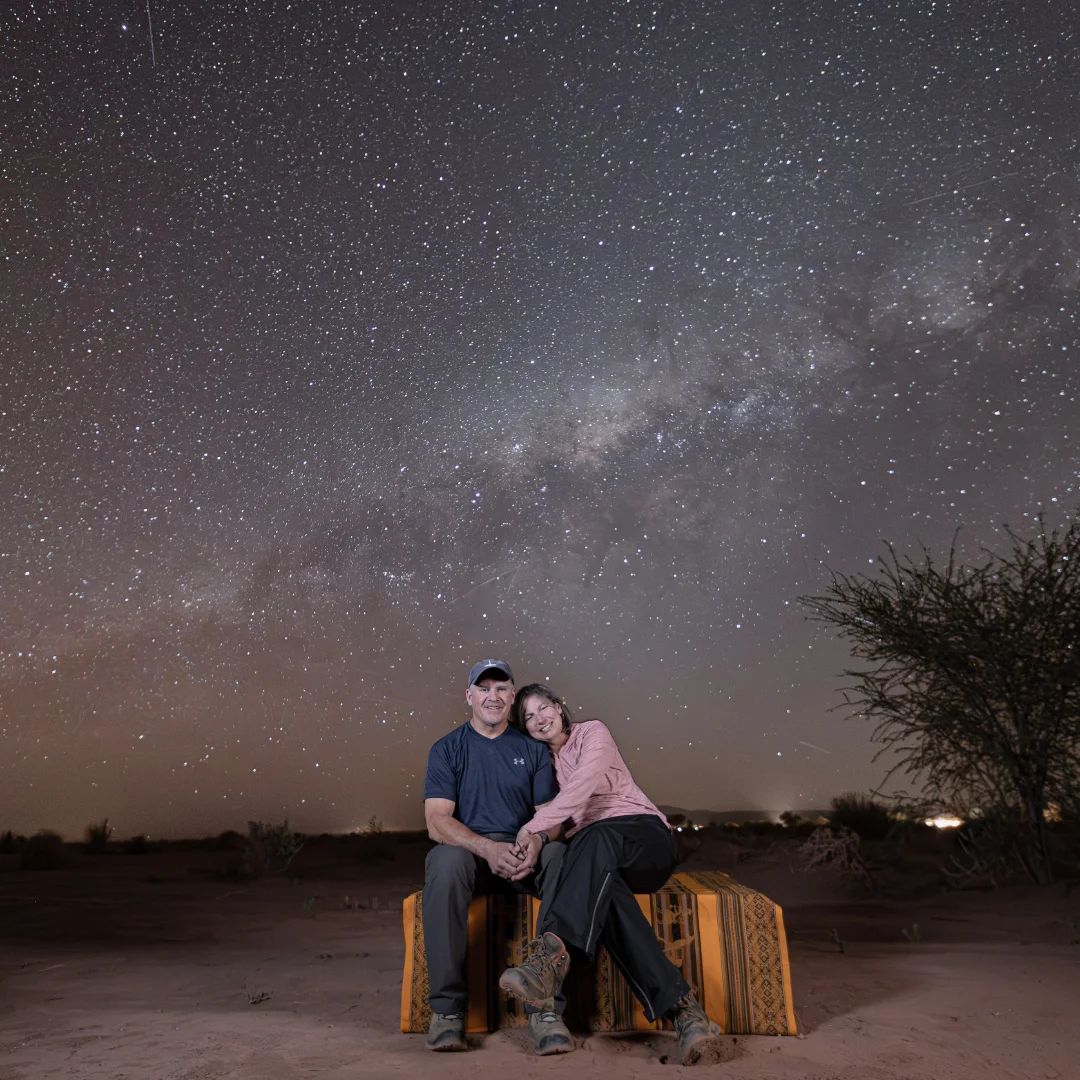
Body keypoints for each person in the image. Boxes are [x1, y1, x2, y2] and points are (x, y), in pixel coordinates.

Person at [497, 683, 722, 1066]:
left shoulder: (592, 733)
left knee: (592, 836)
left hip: (643, 839)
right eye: (528, 718)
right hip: (601, 860)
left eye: (543, 709)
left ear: (559, 706)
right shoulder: (541, 766)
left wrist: (531, 829)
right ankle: (686, 1013)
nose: (539, 720)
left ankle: (548, 959)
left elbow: (582, 788)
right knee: (607, 893)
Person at [421, 661, 573, 1055]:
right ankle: (448, 1012)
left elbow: (551, 817)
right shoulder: (447, 749)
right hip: (473, 855)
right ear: (468, 696)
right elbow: (437, 822)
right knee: (443, 861)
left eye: (502, 688)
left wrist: (536, 842)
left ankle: (546, 1012)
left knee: (559, 854)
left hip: (522, 853)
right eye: (483, 688)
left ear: (511, 696)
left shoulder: (532, 749)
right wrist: (487, 848)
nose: (494, 696)